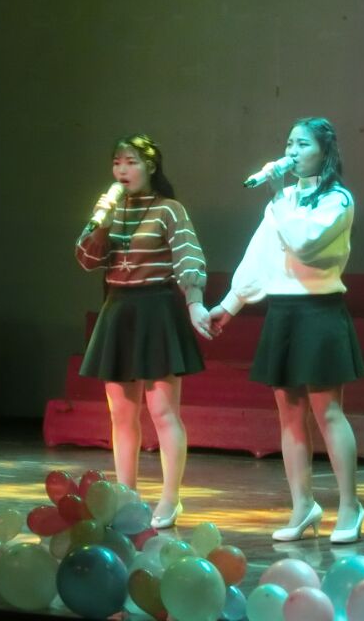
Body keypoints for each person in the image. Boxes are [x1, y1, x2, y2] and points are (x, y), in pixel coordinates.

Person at [209, 117, 364, 543]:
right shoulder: (283, 200)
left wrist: (278, 196)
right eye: (289, 143)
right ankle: (303, 505)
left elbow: (305, 244)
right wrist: (230, 304)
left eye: (303, 144)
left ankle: (349, 506)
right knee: (289, 414)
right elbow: (259, 255)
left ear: (324, 151)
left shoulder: (337, 199)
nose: (292, 152)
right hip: (283, 312)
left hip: (319, 311)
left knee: (328, 412)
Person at [76, 133, 212, 529]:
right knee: (121, 414)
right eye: (117, 162)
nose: (122, 169)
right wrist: (100, 223)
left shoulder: (169, 209)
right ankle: (127, 498)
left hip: (156, 311)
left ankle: (170, 498)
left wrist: (194, 301)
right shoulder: (111, 209)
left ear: (150, 166)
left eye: (131, 162)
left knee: (163, 411)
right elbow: (85, 259)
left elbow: (189, 257)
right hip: (119, 309)